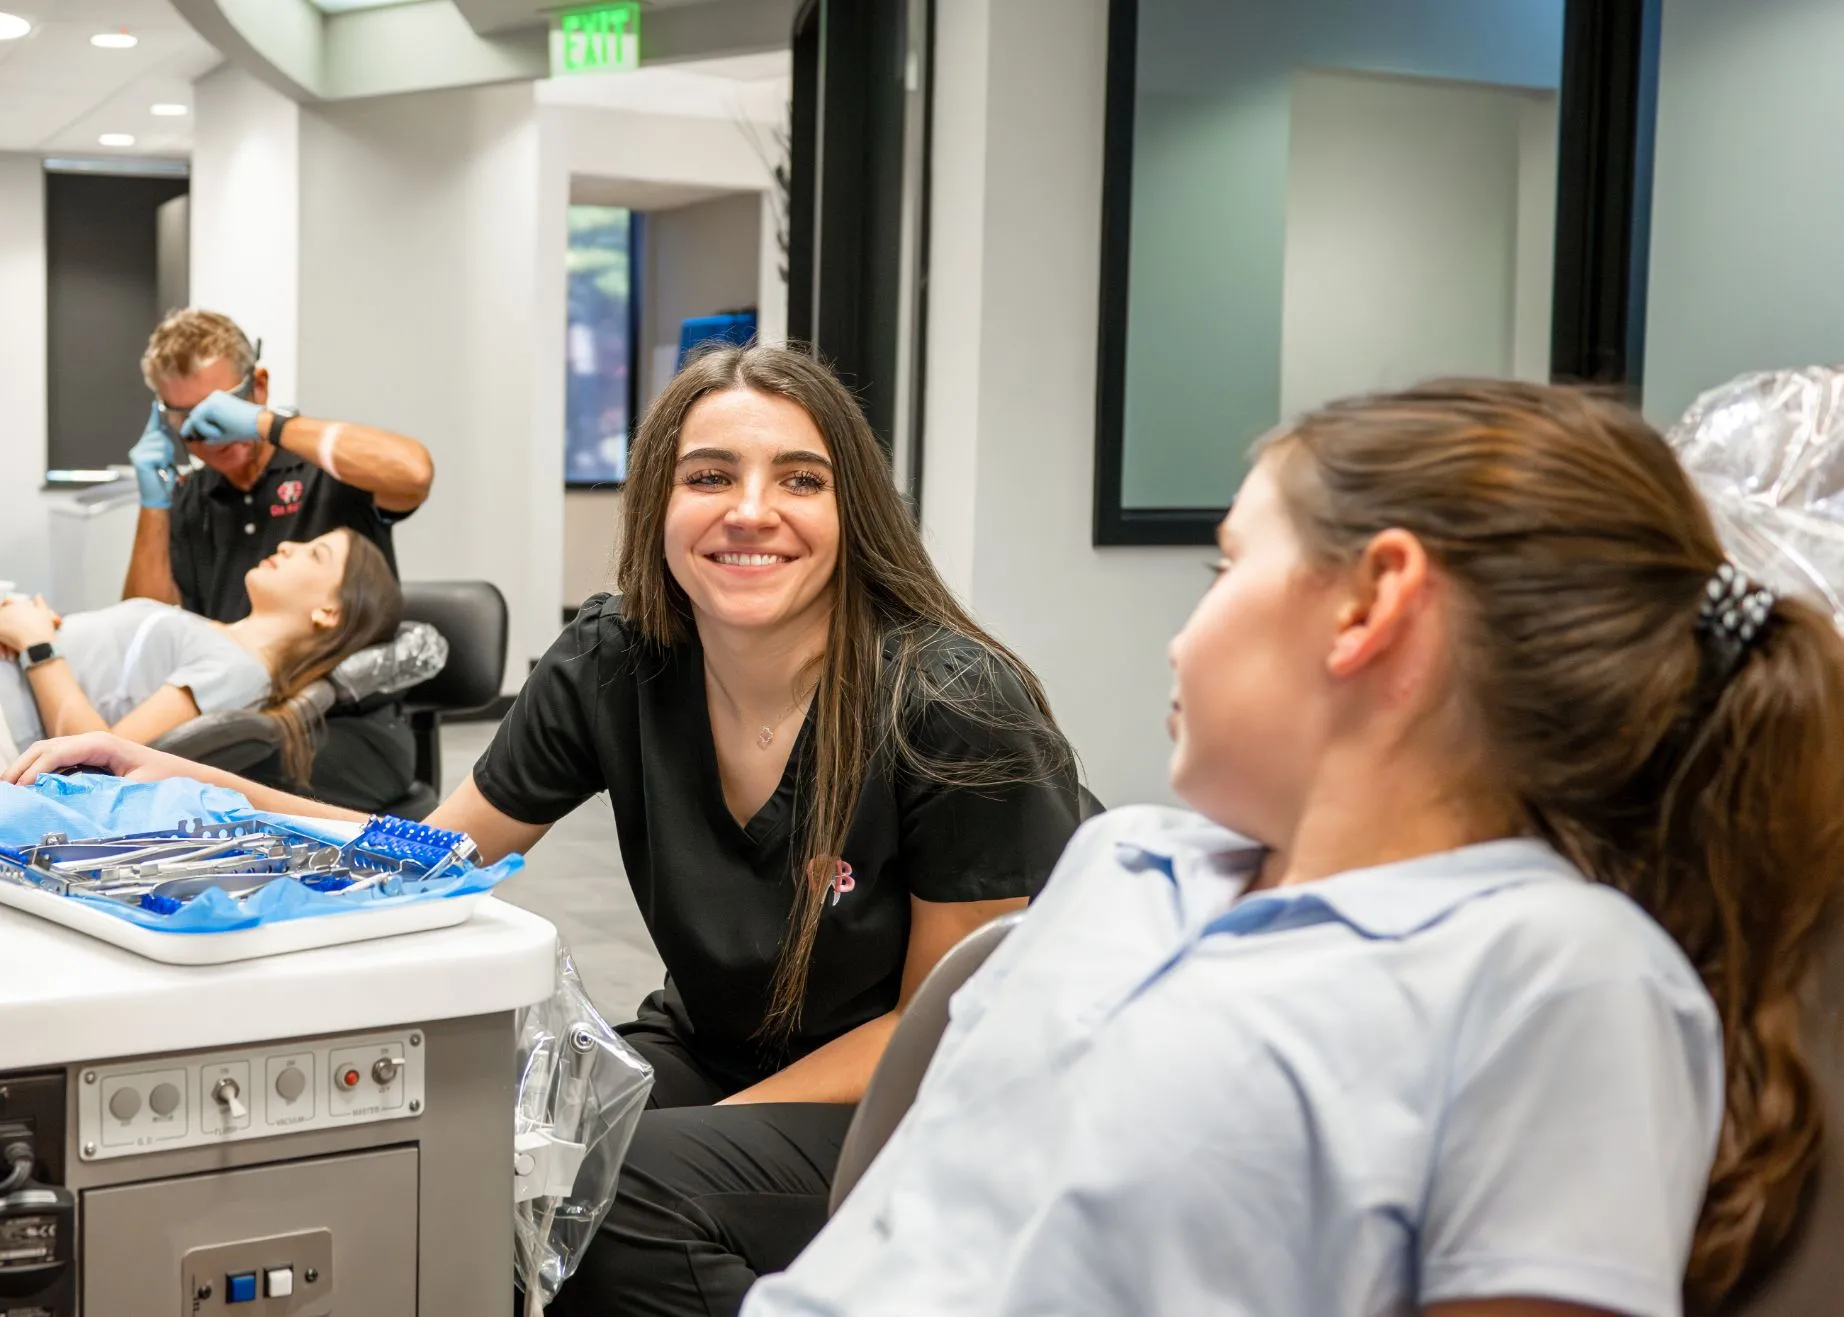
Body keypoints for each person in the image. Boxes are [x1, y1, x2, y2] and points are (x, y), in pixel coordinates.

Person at [10, 344, 1086, 1317]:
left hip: (929, 1092)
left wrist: (693, 1131)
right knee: (491, 1156)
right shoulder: (617, 659)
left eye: (799, 479)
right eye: (709, 476)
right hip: (713, 1045)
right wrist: (186, 777)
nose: (751, 510)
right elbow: (430, 858)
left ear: (855, 511)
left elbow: (946, 1027)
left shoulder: (949, 700)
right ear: (657, 504)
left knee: (615, 1191)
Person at [740, 380, 1844, 1317]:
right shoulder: (1123, 864)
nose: (1180, 637)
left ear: (1372, 603)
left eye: (1224, 569)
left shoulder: (1557, 972)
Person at [125, 308, 436, 806]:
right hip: (231, 709)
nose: (207, 434)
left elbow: (414, 473)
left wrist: (266, 424)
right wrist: (154, 503)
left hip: (342, 724)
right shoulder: (193, 500)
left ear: (259, 386)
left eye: (218, 409)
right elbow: (143, 627)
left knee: (179, 785)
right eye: (185, 418)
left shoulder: (329, 471)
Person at [0, 530, 401, 781]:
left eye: (315, 554)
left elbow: (98, 764)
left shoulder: (239, 670)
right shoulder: (216, 636)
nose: (287, 545)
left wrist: (37, 645)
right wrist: (23, 622)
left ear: (329, 612)